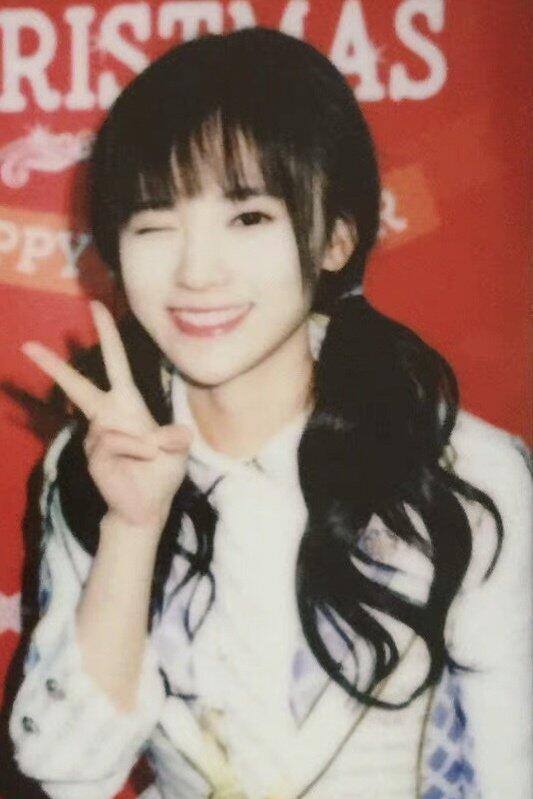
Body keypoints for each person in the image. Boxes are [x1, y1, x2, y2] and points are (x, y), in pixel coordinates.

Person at [8, 27, 531, 799]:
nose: (196, 272)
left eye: (248, 217)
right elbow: (70, 774)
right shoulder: (103, 456)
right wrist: (131, 528)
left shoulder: (465, 471)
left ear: (335, 238)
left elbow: (511, 765)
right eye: (154, 223)